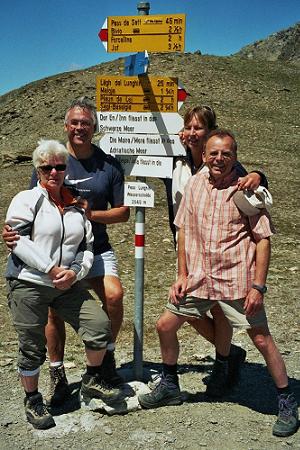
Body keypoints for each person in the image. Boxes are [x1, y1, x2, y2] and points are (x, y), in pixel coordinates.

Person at [138, 129, 298, 438]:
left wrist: (258, 286)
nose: (219, 159)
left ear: (235, 157)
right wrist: (182, 274)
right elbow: (183, 229)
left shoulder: (246, 189)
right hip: (199, 276)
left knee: (262, 339)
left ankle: (286, 400)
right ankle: (170, 385)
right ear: (205, 155)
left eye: (226, 154)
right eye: (213, 153)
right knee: (165, 325)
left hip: (237, 279)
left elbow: (263, 240)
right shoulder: (195, 183)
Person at [2, 97, 130, 406]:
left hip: (92, 248)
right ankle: (57, 373)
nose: (79, 128)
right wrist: (16, 235)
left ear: (94, 127)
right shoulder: (52, 158)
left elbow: (123, 212)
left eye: (86, 123)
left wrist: (88, 213)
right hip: (49, 258)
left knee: (113, 297)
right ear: (66, 126)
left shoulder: (108, 165)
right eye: (74, 122)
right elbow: (35, 204)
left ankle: (102, 364)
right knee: (52, 309)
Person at [163, 105, 269, 390]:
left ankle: (223, 361)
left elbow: (250, 182)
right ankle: (230, 354)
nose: (192, 133)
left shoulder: (220, 163)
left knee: (221, 310)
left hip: (222, 250)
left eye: (199, 128)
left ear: (210, 133)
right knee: (187, 306)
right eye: (188, 127)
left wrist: (259, 174)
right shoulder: (175, 161)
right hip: (188, 241)